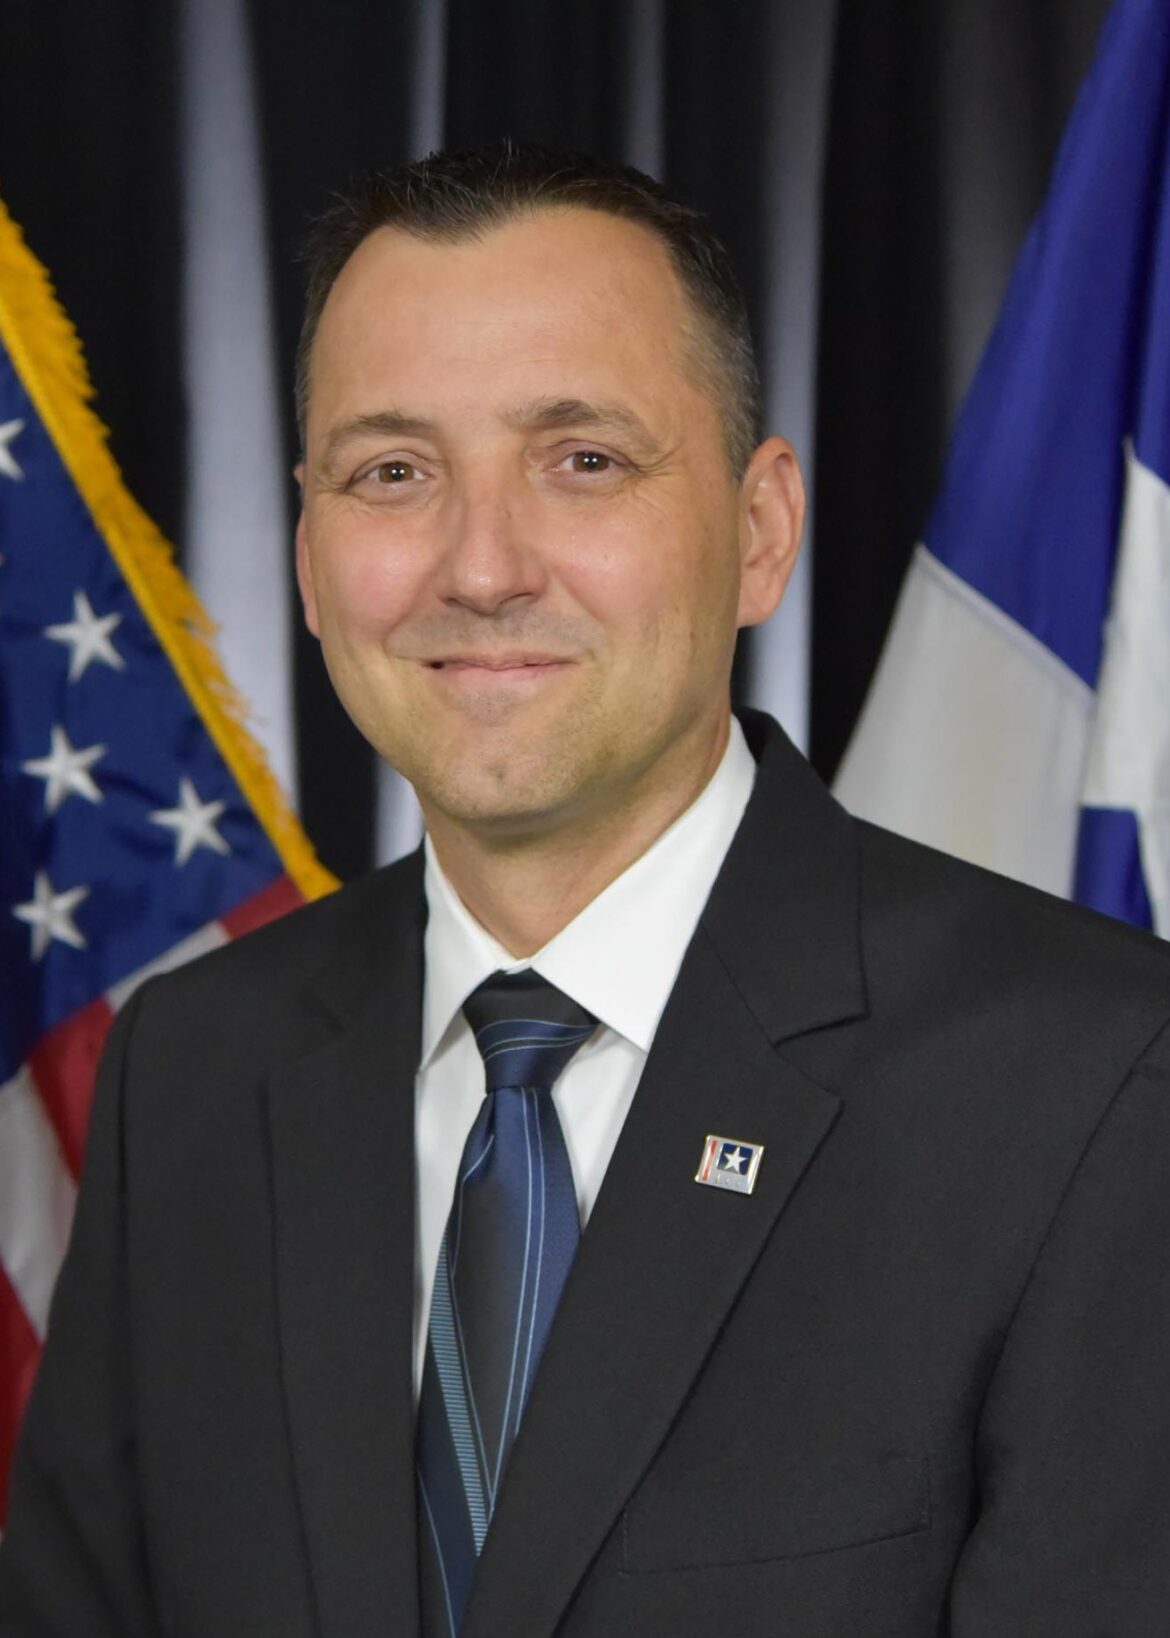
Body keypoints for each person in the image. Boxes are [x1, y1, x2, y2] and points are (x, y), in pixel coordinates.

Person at [2, 143, 1169, 1638]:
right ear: (306, 556)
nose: (482, 568)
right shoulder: (192, 1070)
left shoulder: (1092, 1082)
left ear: (759, 531)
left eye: (583, 461)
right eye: (393, 472)